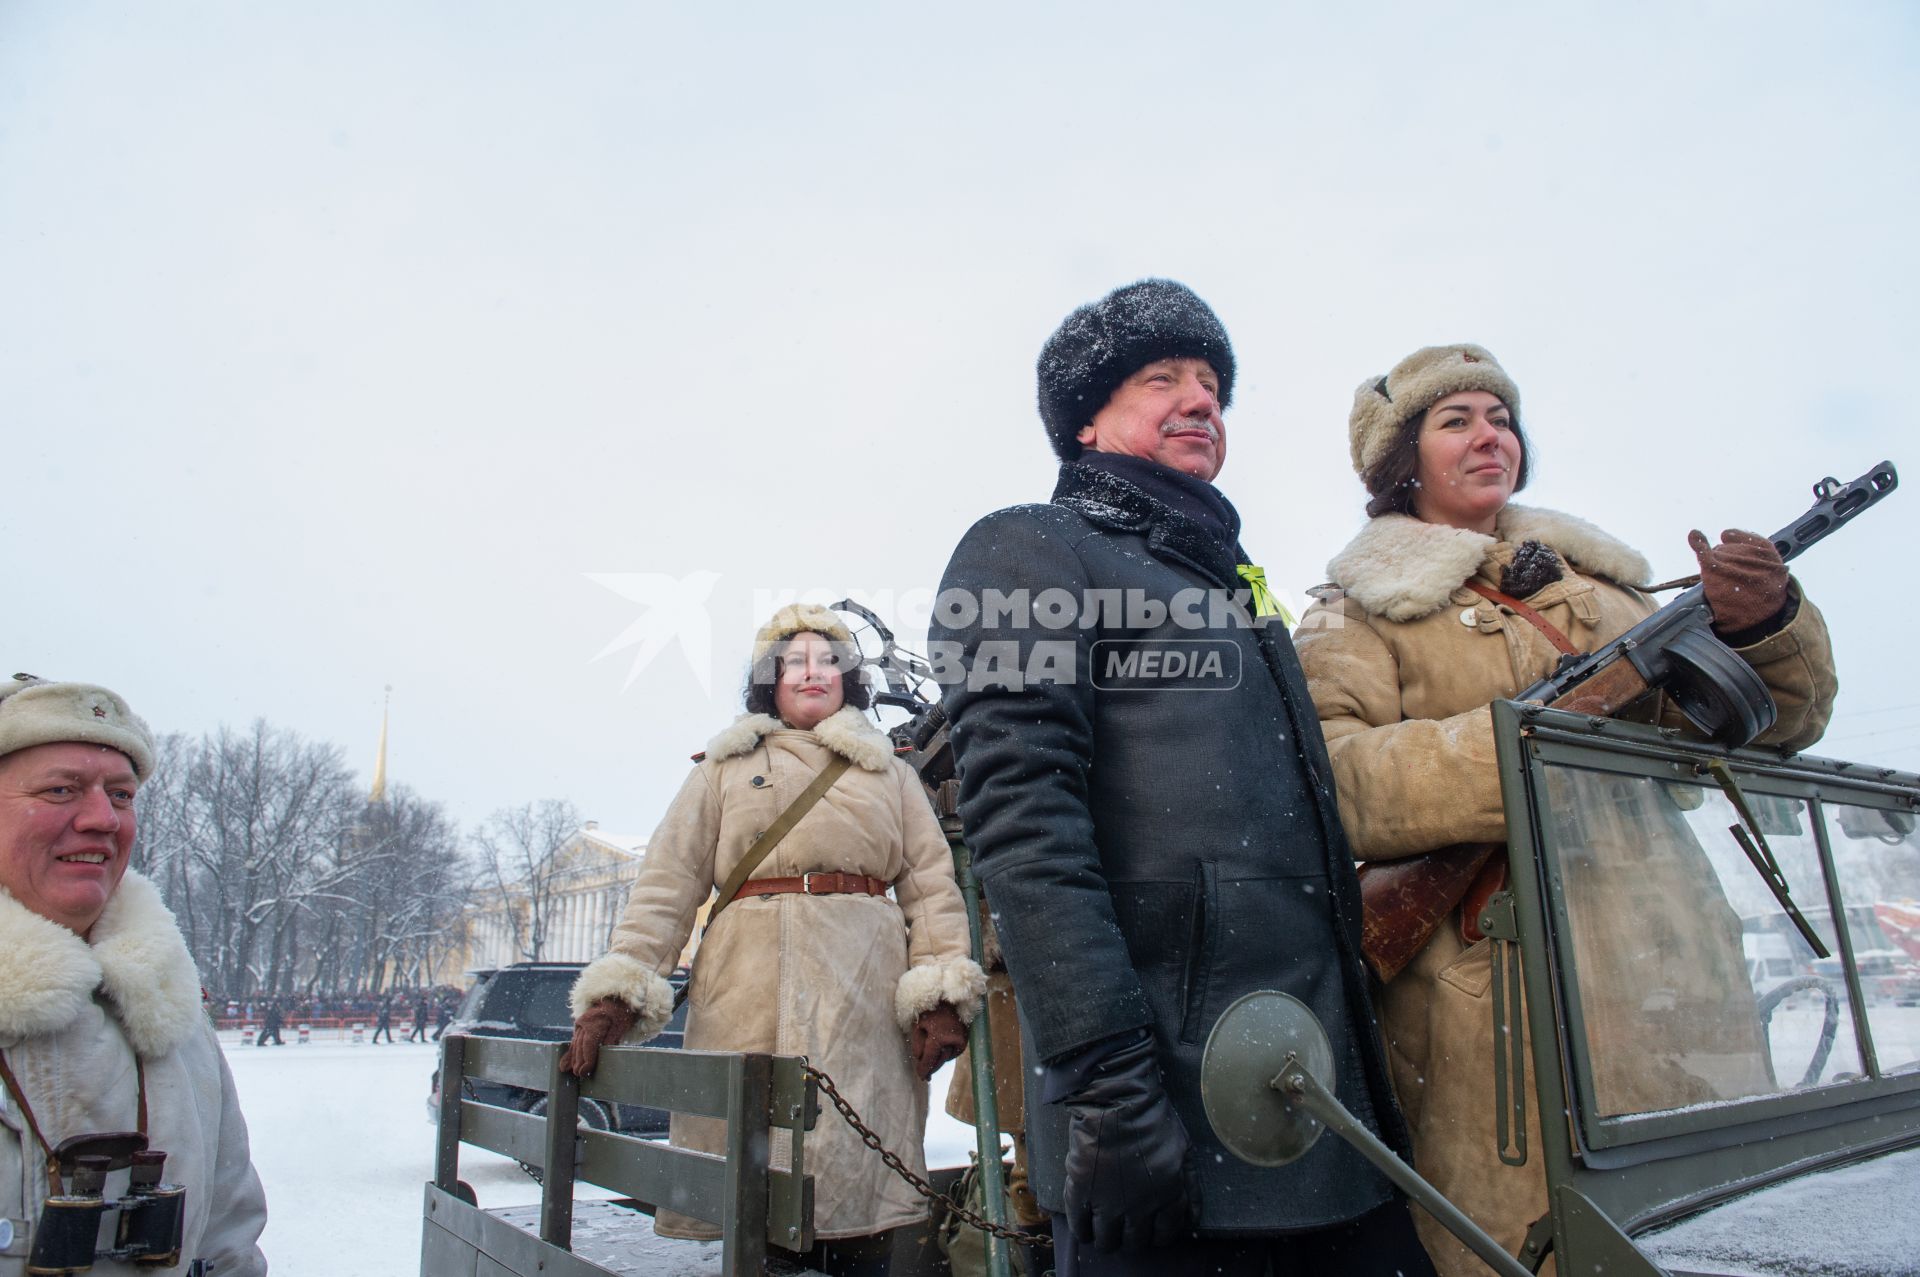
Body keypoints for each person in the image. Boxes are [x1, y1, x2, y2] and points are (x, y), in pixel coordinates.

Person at [1293, 343, 1838, 1275]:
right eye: (1454, 421)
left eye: (1499, 417)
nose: (1488, 436)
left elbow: (1773, 726)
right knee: (1521, 1241)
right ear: (1401, 461)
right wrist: (1512, 750)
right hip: (1494, 993)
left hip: (1670, 962)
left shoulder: (1608, 590)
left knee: (1716, 1233)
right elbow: (1337, 778)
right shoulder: (1356, 612)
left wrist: (1762, 626)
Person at [931, 280, 1431, 1276]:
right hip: (1160, 1117)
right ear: (1085, 419)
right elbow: (1025, 828)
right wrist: (1108, 1084)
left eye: (1212, 385)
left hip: (1319, 1101)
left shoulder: (1242, 590)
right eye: (1162, 379)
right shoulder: (1024, 545)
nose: (1201, 400)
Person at [563, 605, 985, 1277]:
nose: (813, 672)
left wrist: (939, 992)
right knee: (754, 1209)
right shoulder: (721, 769)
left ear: (849, 679)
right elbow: (668, 884)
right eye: (796, 661)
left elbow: (931, 888)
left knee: (859, 1201)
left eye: (828, 660)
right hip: (745, 992)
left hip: (864, 1002)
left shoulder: (893, 774)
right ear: (771, 680)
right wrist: (619, 991)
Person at [0, 674, 268, 1275]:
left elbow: (228, 1237)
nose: (103, 819)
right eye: (61, 790)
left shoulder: (173, 1012)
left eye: (120, 795)